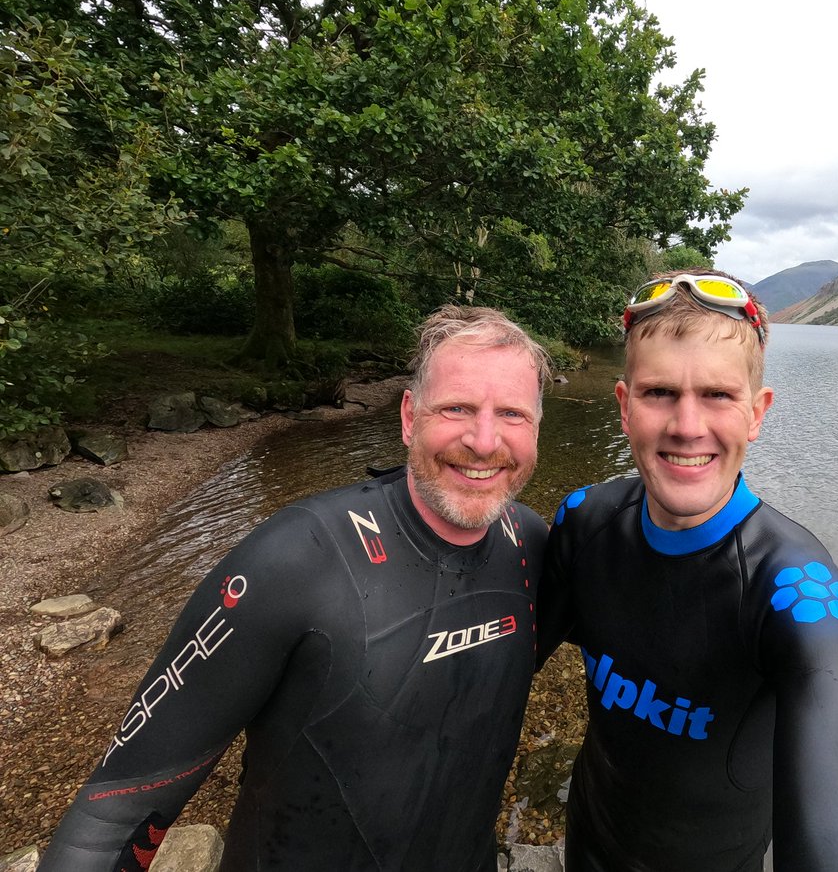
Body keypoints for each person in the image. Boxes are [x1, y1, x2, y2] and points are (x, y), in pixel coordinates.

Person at [41, 305, 552, 872]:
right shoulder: (295, 559)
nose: (485, 442)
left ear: (535, 428)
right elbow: (111, 817)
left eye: (512, 414)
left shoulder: (531, 545)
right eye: (456, 408)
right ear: (409, 416)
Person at [538, 270, 838, 871]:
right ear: (624, 407)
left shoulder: (799, 592)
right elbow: (496, 664)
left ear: (757, 412)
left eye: (718, 396)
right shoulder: (585, 522)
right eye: (660, 392)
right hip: (589, 843)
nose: (687, 426)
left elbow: (834, 815)